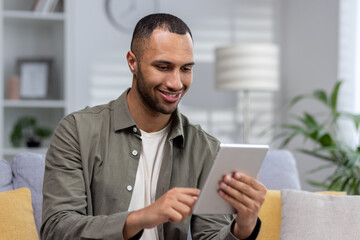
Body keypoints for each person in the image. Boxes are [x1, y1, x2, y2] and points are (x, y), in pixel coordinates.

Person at [41, 13, 267, 240]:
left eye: (186, 69)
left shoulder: (205, 148)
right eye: (163, 66)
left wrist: (244, 226)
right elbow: (56, 229)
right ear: (132, 62)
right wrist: (141, 218)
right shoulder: (77, 131)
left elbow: (209, 235)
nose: (176, 83)